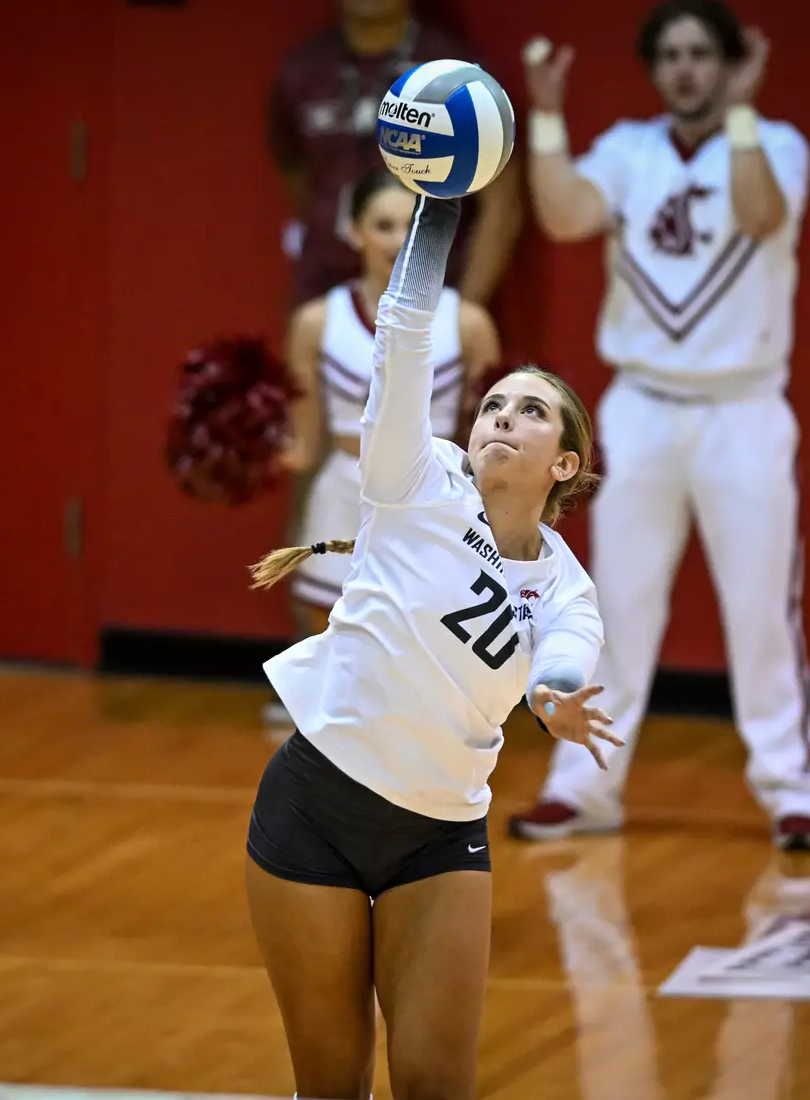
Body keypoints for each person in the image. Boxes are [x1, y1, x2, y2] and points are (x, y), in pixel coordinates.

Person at [243, 194, 618, 1099]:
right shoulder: (414, 477)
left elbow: (569, 650)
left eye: (530, 411)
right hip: (313, 811)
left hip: (438, 836)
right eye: (493, 403)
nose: (500, 416)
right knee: (332, 1085)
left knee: (436, 1084)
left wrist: (554, 694)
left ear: (563, 462)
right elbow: (404, 332)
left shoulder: (566, 584)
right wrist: (439, 208)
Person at [508, 0, 810, 852]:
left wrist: (747, 111)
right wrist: (544, 116)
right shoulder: (626, 149)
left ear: (729, 64)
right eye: (672, 55)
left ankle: (792, 789)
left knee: (762, 608)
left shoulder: (779, 145)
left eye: (702, 54)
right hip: (643, 405)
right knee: (615, 604)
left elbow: (762, 217)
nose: (687, 68)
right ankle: (584, 785)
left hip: (745, 409)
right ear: (655, 68)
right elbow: (566, 214)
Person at [261, 170, 500, 734]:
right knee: (332, 632)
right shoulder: (317, 321)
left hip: (430, 496)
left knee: (429, 635)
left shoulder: (467, 321)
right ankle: (334, 736)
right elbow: (304, 443)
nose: (397, 240)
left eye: (410, 226)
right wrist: (245, 449)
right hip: (347, 486)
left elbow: (487, 440)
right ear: (353, 230)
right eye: (382, 225)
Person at [268, 0, 523, 308]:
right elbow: (297, 177)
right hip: (324, 296)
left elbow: (502, 203)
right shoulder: (300, 73)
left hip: (427, 298)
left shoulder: (457, 75)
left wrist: (461, 314)